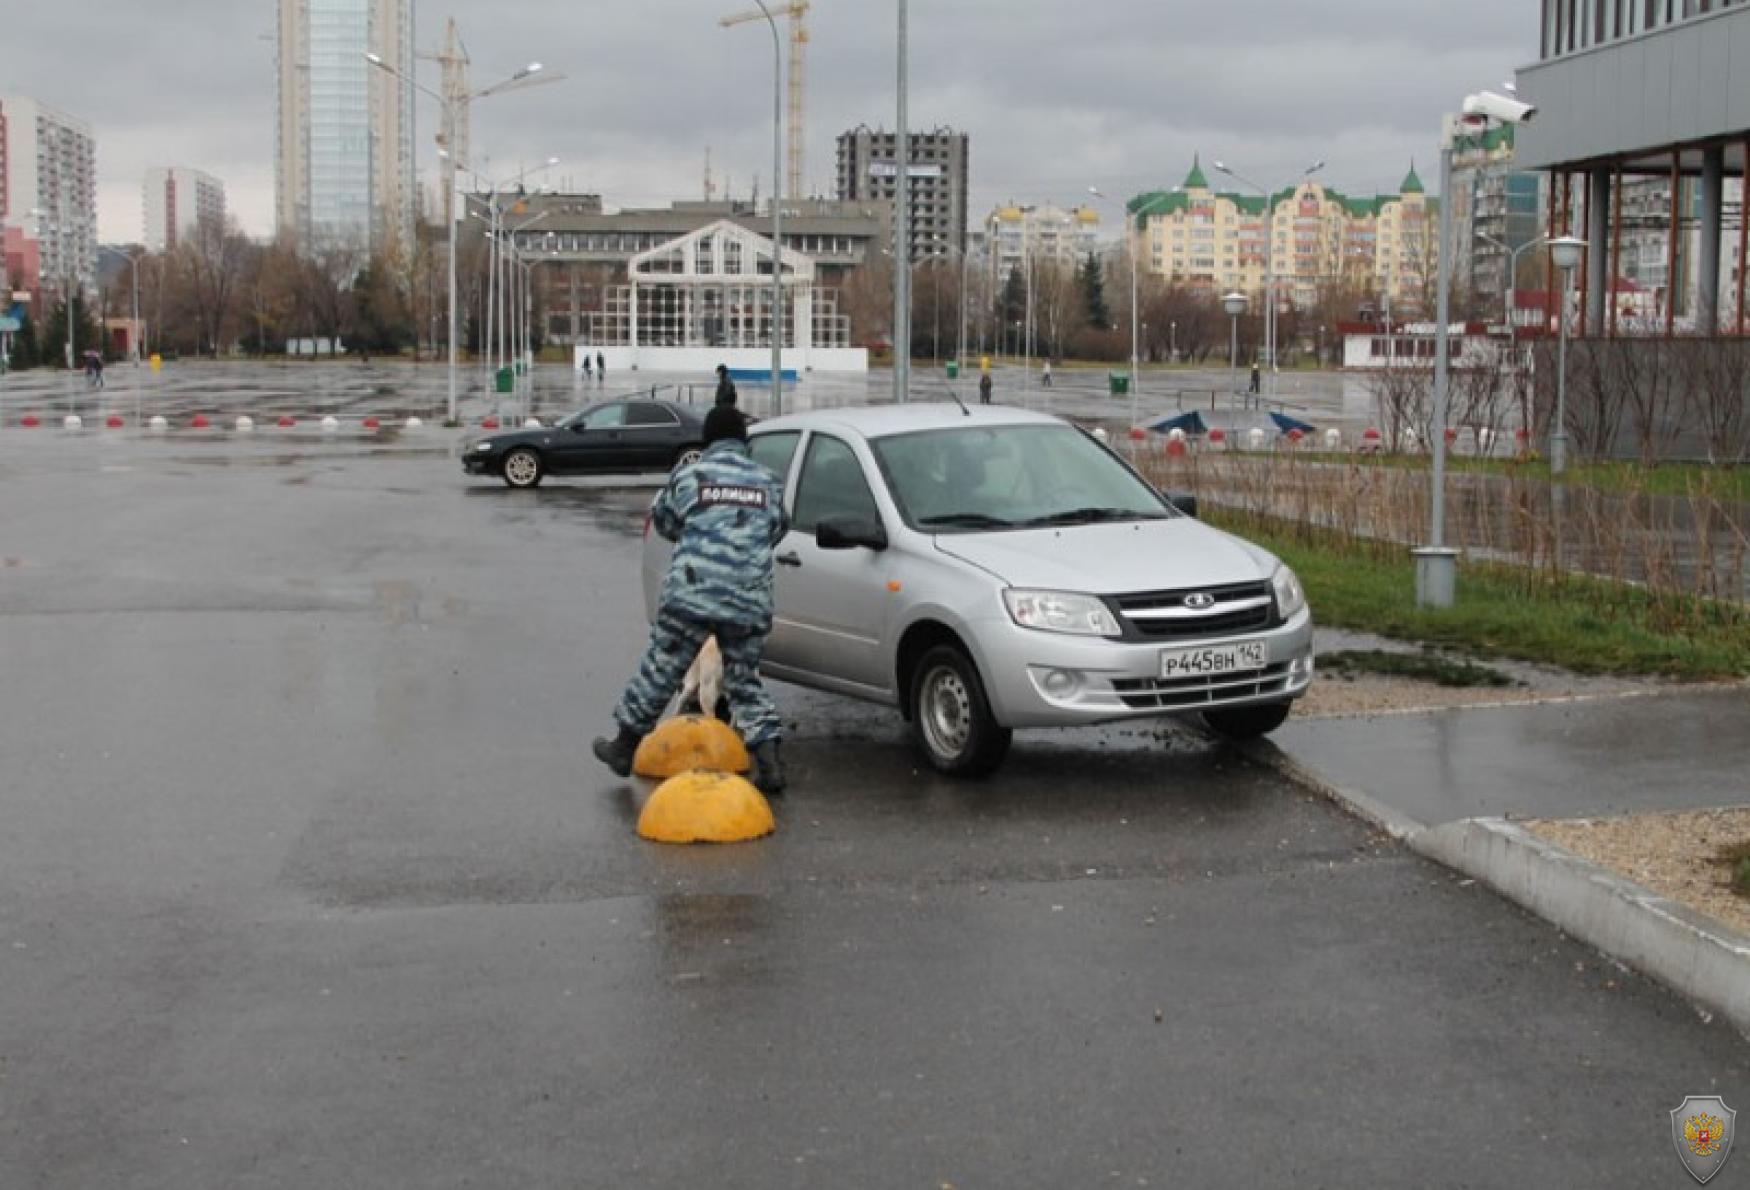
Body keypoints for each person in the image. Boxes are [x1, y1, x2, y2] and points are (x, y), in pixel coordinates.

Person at [593, 405, 790, 794]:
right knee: (744, 679)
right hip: (748, 598)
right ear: (744, 440)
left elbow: (665, 522)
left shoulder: (689, 475)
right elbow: (778, 528)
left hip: (693, 594)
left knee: (662, 667)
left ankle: (623, 748)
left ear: (708, 440)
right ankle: (769, 764)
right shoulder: (768, 481)